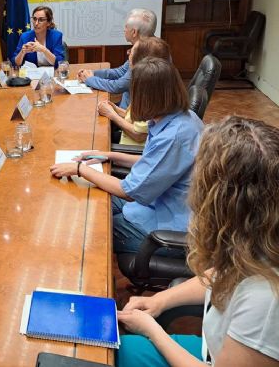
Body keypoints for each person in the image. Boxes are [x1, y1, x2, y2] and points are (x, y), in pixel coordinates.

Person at [116, 116, 279, 367]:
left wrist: (153, 332)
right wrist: (160, 300)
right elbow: (225, 275)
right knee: (111, 346)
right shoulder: (260, 240)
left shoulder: (266, 299)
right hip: (214, 349)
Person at [50, 58, 203, 254]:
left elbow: (129, 191)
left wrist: (80, 169)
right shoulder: (180, 117)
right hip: (160, 203)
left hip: (171, 231)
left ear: (148, 97)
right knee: (92, 199)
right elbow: (153, 165)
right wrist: (108, 155)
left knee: (92, 225)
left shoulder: (174, 137)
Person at [97, 37, 172, 146]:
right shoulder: (150, 82)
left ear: (141, 59)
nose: (128, 53)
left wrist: (111, 114)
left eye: (131, 51)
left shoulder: (152, 91)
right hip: (127, 138)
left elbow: (139, 135)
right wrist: (116, 109)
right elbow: (138, 120)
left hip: (131, 149)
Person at [78, 8, 157, 108]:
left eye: (126, 26)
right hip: (126, 108)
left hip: (133, 116)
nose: (124, 29)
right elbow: (120, 72)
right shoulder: (148, 46)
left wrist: (90, 79)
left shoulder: (148, 53)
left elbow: (118, 86)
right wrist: (92, 73)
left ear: (134, 32)